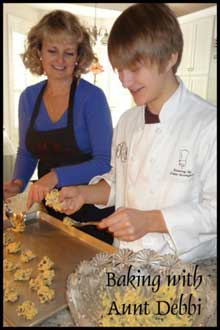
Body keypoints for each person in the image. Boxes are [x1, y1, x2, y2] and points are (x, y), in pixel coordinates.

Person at [58, 3, 216, 262]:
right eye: (120, 68)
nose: (124, 81)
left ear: (170, 57)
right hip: (126, 261)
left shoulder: (208, 125)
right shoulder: (127, 122)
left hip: (185, 270)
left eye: (134, 68)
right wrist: (85, 193)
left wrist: (150, 220)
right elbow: (119, 182)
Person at [3, 10, 114, 244]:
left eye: (68, 53)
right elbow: (27, 151)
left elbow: (104, 161)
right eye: (52, 51)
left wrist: (55, 176)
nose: (60, 60)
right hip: (52, 207)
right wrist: (18, 183)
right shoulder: (28, 98)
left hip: (92, 209)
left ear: (78, 57)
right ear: (39, 52)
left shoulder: (92, 98)